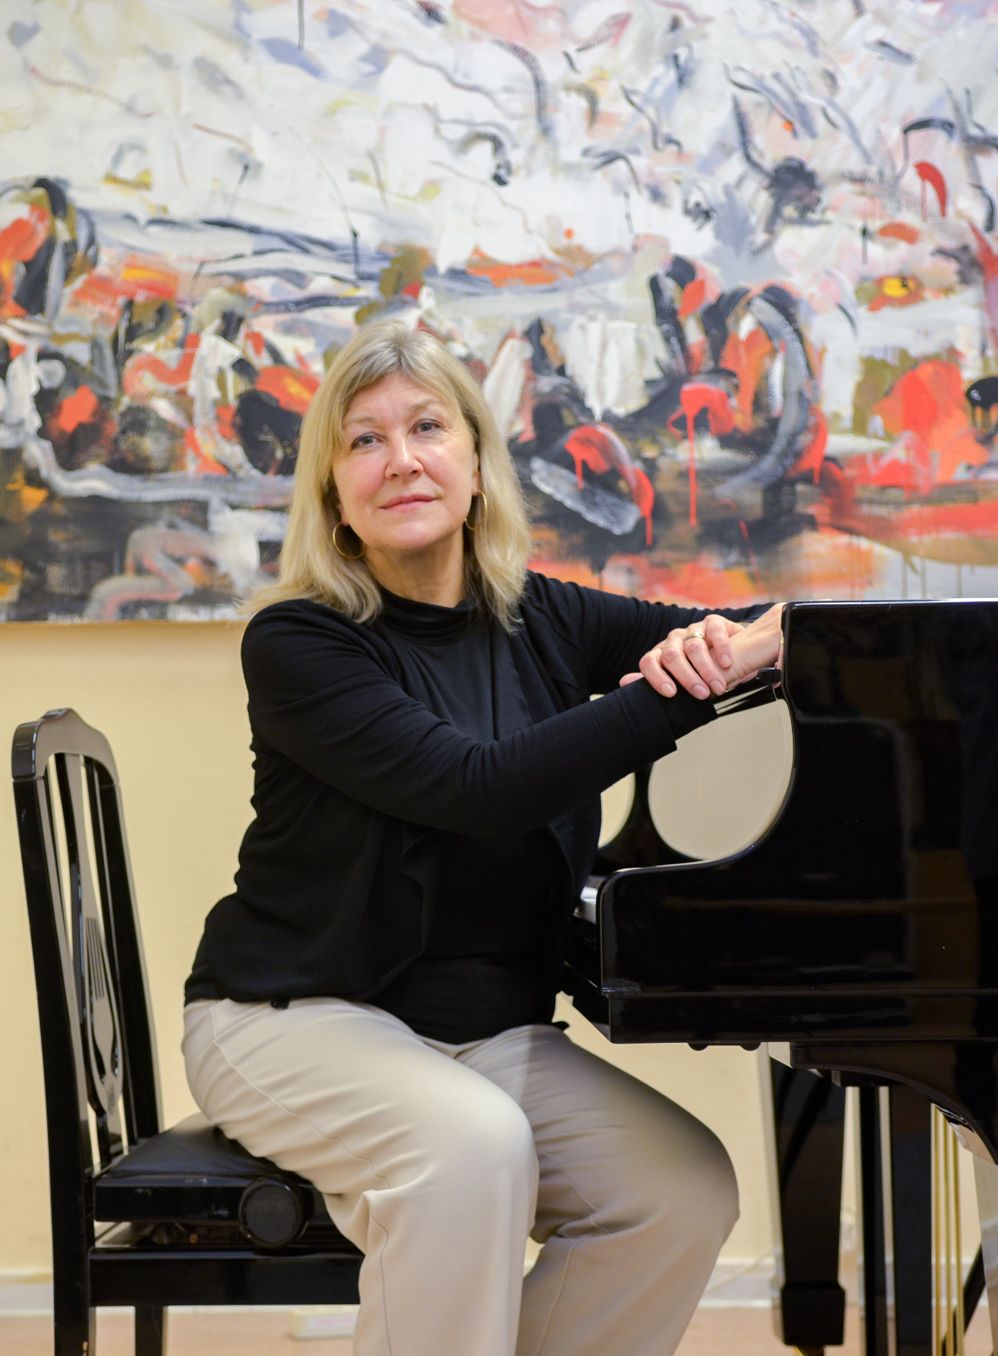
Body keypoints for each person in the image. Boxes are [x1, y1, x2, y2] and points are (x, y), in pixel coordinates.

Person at [181, 319, 785, 1356]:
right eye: (363, 440)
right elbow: (478, 788)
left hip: (480, 1037)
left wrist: (768, 634)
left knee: (676, 1191)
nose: (400, 459)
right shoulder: (298, 643)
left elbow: (725, 635)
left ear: (474, 462)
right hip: (292, 1018)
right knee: (470, 1150)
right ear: (332, 491)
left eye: (426, 427)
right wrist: (683, 687)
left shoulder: (539, 616)